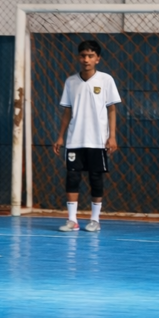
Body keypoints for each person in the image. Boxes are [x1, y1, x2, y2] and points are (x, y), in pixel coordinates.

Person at [52, 39, 121, 232]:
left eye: (91, 56)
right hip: (74, 140)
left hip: (97, 140)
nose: (86, 59)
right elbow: (67, 111)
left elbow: (112, 110)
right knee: (72, 178)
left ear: (98, 59)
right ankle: (72, 220)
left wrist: (112, 136)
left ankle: (95, 220)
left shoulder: (106, 80)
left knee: (96, 178)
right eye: (83, 55)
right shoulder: (71, 81)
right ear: (78, 57)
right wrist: (60, 136)